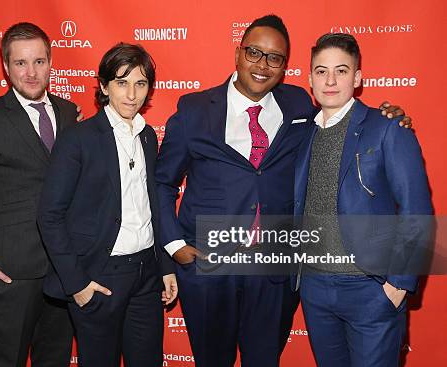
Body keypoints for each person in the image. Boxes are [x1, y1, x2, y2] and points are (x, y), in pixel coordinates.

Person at [155, 14, 410, 367]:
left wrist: (389, 116)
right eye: (255, 53)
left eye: (275, 58)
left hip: (273, 271)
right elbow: (162, 181)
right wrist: (174, 245)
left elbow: (345, 120)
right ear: (238, 53)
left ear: (285, 66)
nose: (263, 65)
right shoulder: (194, 110)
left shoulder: (300, 106)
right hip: (209, 268)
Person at [294, 32, 432, 367]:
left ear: (357, 78)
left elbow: (417, 210)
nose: (330, 80)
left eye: (341, 71)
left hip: (370, 290)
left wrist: (397, 286)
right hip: (314, 288)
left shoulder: (387, 128)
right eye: (321, 71)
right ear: (310, 77)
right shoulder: (303, 132)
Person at [38, 42, 177, 367]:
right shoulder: (79, 138)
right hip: (100, 275)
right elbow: (50, 215)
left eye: (140, 83)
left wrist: (166, 267)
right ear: (103, 86)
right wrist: (78, 284)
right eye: (122, 82)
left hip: (146, 272)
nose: (131, 94)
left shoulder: (147, 136)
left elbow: (151, 206)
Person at [0, 22, 76, 367]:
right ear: (6, 67)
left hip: (62, 268)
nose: (31, 72)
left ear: (51, 63)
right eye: (21, 63)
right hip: (9, 273)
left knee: (53, 358)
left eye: (39, 61)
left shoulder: (69, 113)